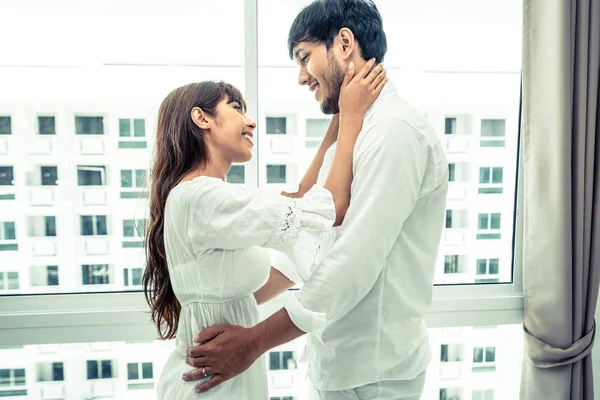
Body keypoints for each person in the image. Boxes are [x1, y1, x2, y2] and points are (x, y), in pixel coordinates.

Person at [182, 0, 449, 399]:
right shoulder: (354, 133)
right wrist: (227, 305)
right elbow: (314, 243)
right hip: (337, 366)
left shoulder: (395, 133)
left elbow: (353, 261)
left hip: (373, 375)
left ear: (344, 43)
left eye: (304, 58)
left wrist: (253, 342)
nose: (302, 77)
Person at [144, 61, 387, 400]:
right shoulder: (202, 197)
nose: (251, 121)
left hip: (220, 382)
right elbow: (329, 207)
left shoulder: (201, 198)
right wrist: (352, 118)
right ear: (201, 118)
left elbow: (302, 205)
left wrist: (337, 116)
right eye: (236, 108)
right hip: (208, 388)